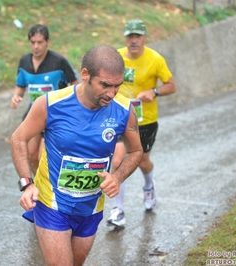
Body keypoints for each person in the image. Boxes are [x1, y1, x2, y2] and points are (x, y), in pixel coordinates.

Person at [10, 45, 143, 265]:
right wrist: (27, 183)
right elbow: (18, 138)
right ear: (85, 75)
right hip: (52, 204)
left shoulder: (124, 110)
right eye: (105, 85)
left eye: (117, 86)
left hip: (91, 208)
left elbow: (137, 151)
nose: (111, 93)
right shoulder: (50, 104)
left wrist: (117, 177)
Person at [107, 19, 177, 227]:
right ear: (125, 37)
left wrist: (153, 92)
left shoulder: (155, 59)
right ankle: (118, 209)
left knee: (142, 162)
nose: (134, 40)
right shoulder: (116, 57)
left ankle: (148, 186)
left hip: (145, 121)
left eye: (138, 36)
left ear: (144, 37)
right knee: (118, 160)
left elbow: (171, 86)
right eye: (130, 36)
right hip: (119, 118)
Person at [10, 24, 78, 175]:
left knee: (43, 157)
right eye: (33, 42)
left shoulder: (59, 62)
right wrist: (16, 96)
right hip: (34, 112)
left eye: (40, 42)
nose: (36, 46)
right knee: (31, 156)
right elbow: (20, 85)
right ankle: (39, 187)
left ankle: (50, 188)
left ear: (47, 42)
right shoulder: (24, 62)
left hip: (56, 114)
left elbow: (76, 85)